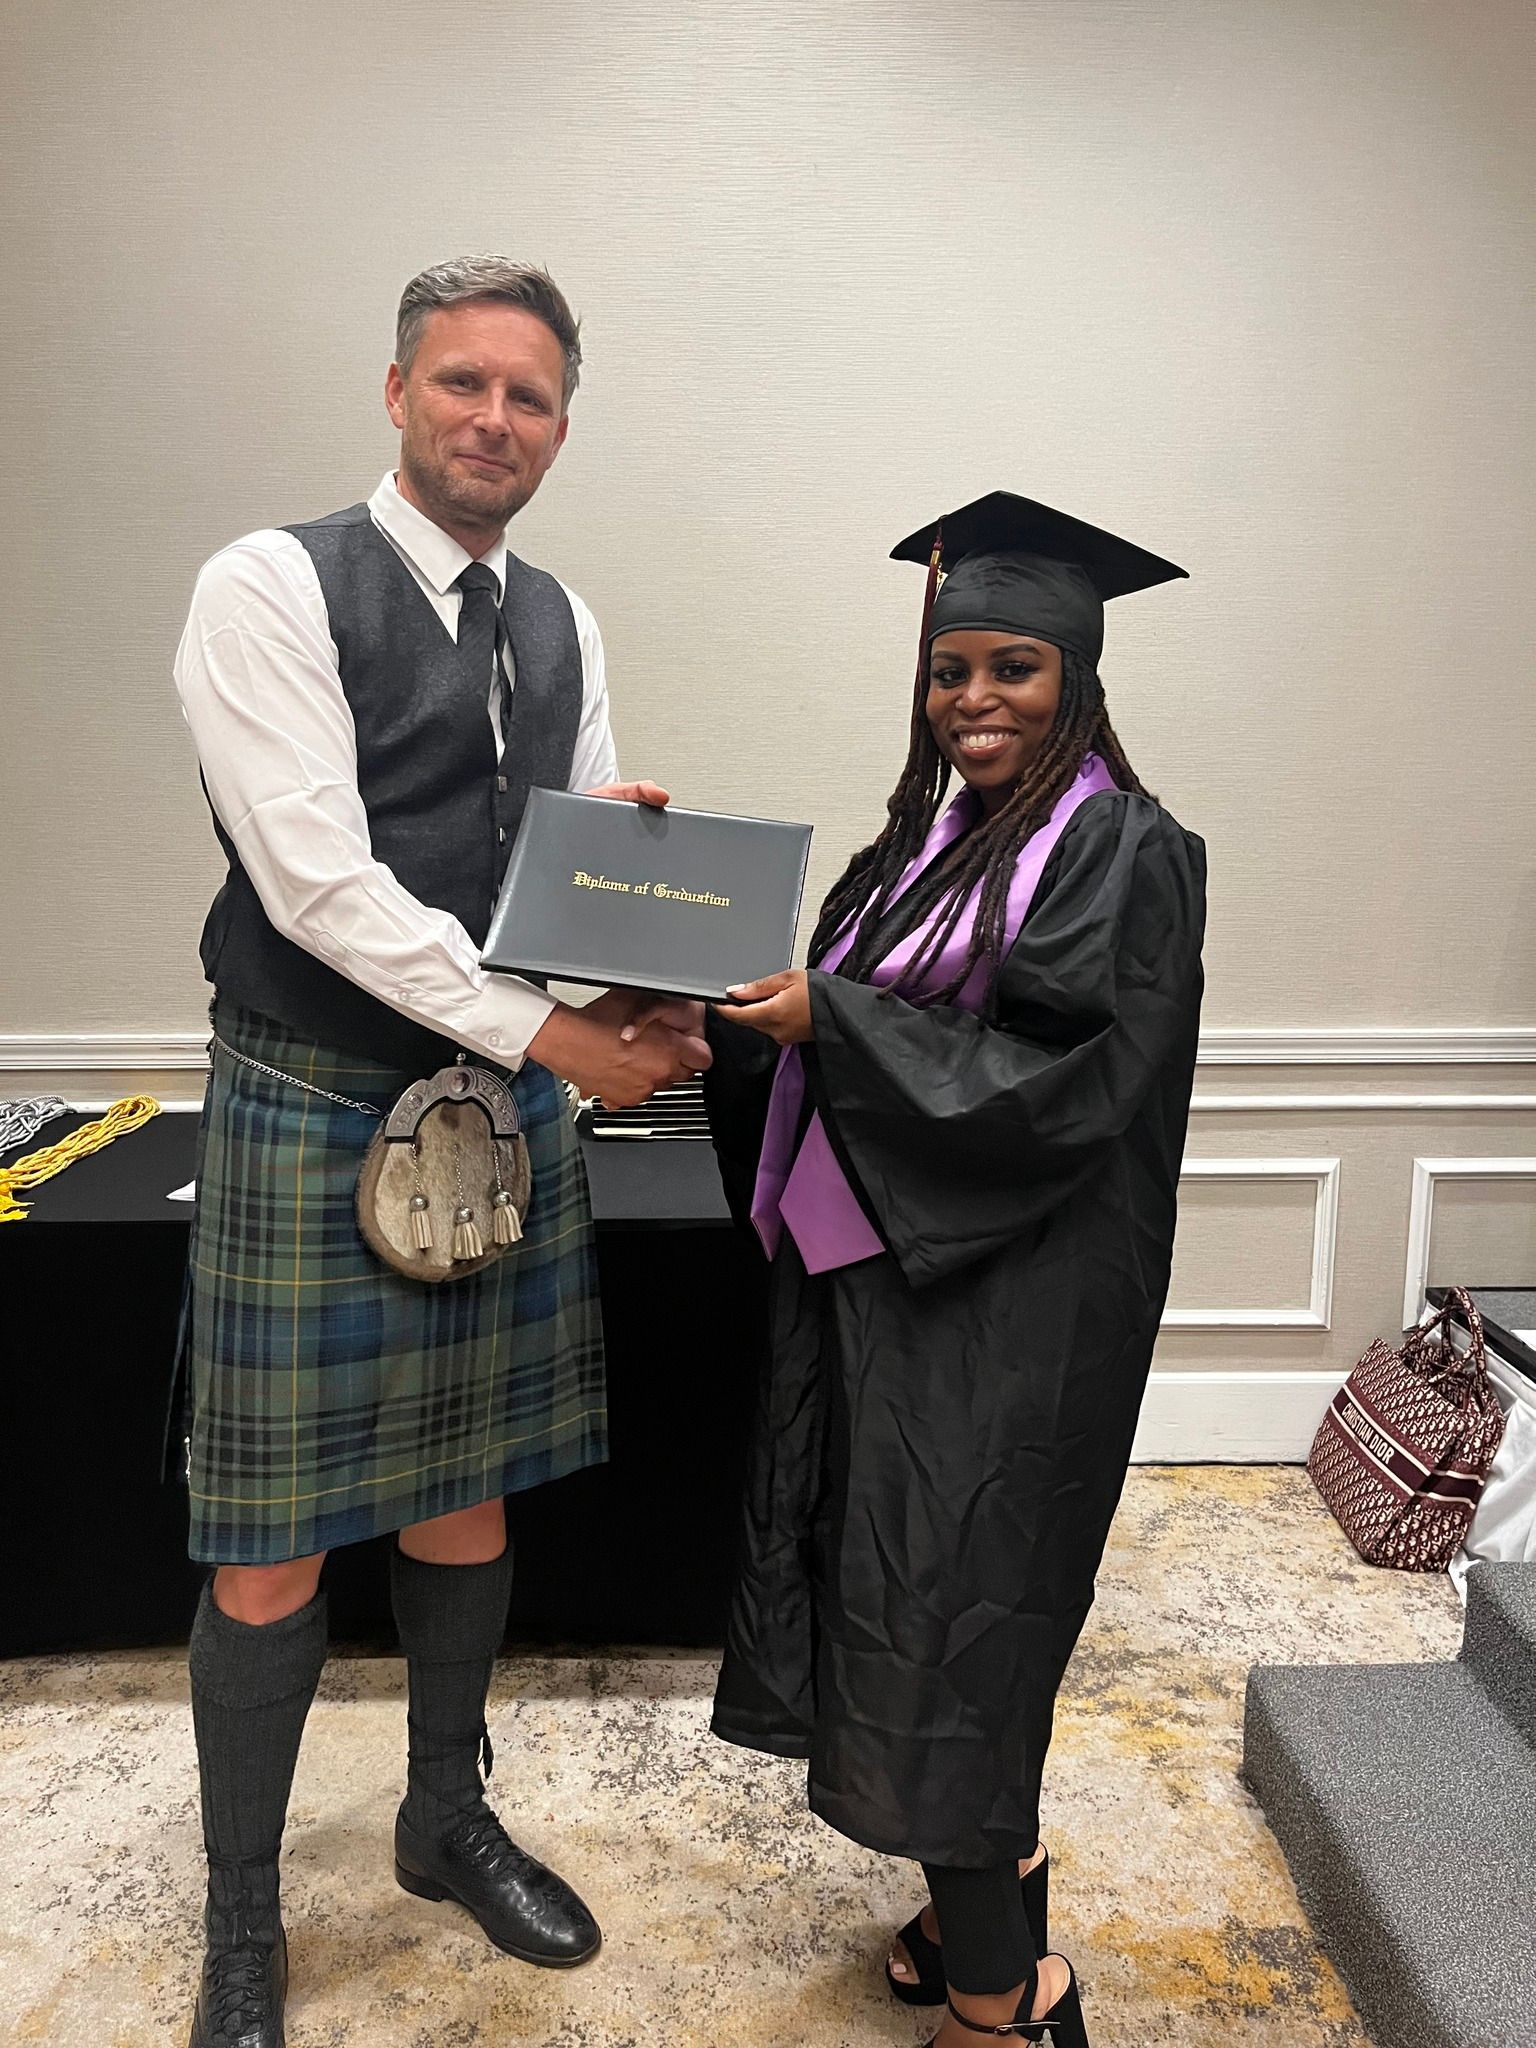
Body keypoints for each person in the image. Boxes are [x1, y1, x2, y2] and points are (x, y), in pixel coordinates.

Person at [170, 256, 708, 2048]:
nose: (497, 420)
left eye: (532, 397)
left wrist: (638, 932)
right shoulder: (268, 585)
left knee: (467, 1490)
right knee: (268, 1549)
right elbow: (319, 886)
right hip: (315, 1101)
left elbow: (566, 871)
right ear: (397, 391)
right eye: (465, 384)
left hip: (496, 1112)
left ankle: (438, 1817)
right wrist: (561, 1036)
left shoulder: (563, 620)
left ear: (563, 424)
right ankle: (242, 1919)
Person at [704, 492, 1206, 2048]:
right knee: (899, 1598)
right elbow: (860, 1018)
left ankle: (1003, 2012)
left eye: (1013, 669)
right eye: (949, 672)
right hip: (894, 1293)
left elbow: (1063, 1086)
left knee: (953, 1626)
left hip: (1013, 1314)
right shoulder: (918, 847)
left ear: (1078, 680)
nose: (976, 701)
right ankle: (973, 1915)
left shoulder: (1126, 847)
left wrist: (831, 1025)